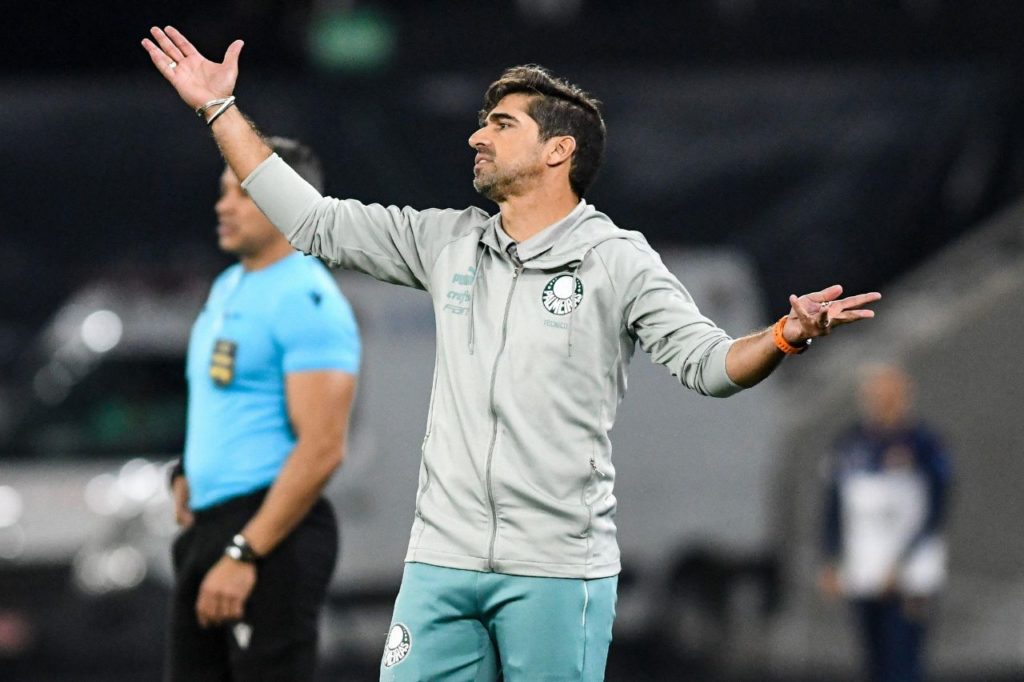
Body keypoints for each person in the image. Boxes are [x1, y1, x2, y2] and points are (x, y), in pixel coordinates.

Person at [142, 26, 880, 681]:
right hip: (440, 562)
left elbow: (712, 367)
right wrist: (219, 109)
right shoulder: (447, 242)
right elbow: (309, 220)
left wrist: (784, 336)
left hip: (556, 568)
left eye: (500, 123)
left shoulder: (618, 261)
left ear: (558, 151)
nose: (477, 138)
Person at [165, 135, 361, 681]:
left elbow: (322, 448)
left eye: (242, 194)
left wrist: (244, 553)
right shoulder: (228, 286)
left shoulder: (307, 298)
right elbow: (227, 403)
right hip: (210, 528)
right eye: (223, 191)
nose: (222, 205)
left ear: (286, 200)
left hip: (269, 536)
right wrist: (188, 472)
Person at [819, 363, 952, 682]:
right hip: (865, 570)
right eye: (874, 395)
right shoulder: (850, 443)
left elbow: (936, 510)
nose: (880, 402)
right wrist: (831, 558)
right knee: (874, 661)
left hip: (910, 578)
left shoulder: (924, 444)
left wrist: (903, 563)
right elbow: (833, 504)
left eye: (887, 395)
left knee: (903, 660)